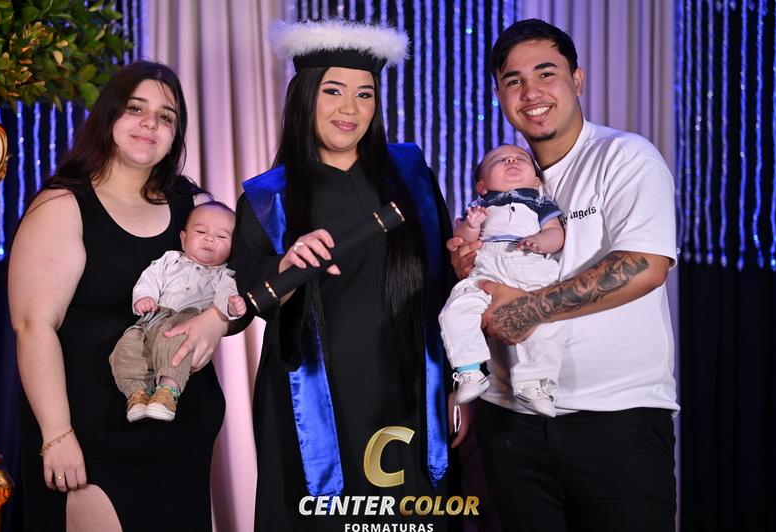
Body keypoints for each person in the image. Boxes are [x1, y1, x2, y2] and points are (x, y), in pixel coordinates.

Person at [228, 20, 463, 531]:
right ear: (305, 96)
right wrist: (283, 267)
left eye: (365, 94)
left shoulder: (413, 177)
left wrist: (457, 381)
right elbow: (239, 297)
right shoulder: (269, 198)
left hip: (410, 389)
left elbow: (446, 285)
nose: (350, 109)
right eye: (333, 91)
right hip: (315, 399)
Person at [449, 19, 678, 531]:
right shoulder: (500, 176)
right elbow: (476, 276)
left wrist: (527, 310)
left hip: (614, 420)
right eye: (513, 80)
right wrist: (464, 264)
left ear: (577, 79)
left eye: (546, 73)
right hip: (510, 418)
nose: (531, 92)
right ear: (499, 95)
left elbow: (646, 265)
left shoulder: (624, 156)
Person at [8, 61, 228, 531]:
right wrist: (56, 435)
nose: (150, 124)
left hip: (181, 437)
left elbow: (240, 288)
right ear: (109, 115)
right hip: (92, 441)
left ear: (175, 134)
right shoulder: (63, 206)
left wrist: (219, 320)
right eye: (135, 109)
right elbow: (33, 327)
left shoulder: (195, 209)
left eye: (166, 116)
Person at [439, 143, 566, 417]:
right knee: (457, 308)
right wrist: (471, 226)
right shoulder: (480, 206)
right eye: (499, 159)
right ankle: (470, 369)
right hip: (487, 263)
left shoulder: (540, 203)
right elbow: (463, 240)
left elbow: (556, 234)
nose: (511, 160)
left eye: (521, 158)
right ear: (482, 186)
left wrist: (540, 241)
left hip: (528, 261)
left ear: (536, 180)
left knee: (545, 321)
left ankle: (535, 384)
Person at [110, 202, 245, 423]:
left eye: (221, 237)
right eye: (200, 232)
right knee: (127, 346)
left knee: (175, 341)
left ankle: (168, 390)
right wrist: (145, 297)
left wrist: (233, 307)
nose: (209, 239)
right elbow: (150, 279)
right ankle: (138, 394)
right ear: (183, 238)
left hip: (189, 319)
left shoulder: (226, 275)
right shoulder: (169, 260)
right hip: (153, 318)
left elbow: (225, 301)